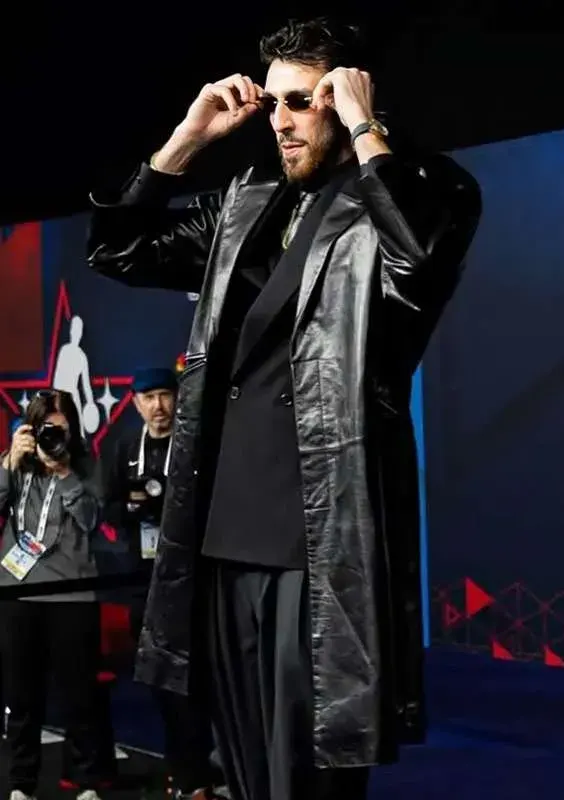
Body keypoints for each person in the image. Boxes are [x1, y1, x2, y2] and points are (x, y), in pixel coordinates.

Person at [87, 16, 482, 800]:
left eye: (302, 100)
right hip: (220, 538)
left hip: (317, 548)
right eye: (273, 103)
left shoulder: (427, 189)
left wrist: (365, 130)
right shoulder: (249, 200)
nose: (281, 121)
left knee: (309, 779)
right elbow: (119, 250)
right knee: (244, 777)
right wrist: (185, 141)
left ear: (351, 93)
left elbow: (417, 266)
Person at [102, 367, 222, 799]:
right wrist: (135, 510)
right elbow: (108, 506)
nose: (159, 406)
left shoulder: (193, 443)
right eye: (149, 398)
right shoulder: (123, 448)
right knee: (158, 681)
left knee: (198, 681)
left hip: (193, 581)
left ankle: (203, 770)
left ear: (178, 398)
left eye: (165, 396)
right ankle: (183, 770)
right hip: (144, 581)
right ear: (135, 403)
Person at [0, 390, 115, 800]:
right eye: (46, 430)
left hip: (72, 594)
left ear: (73, 431)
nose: (53, 438)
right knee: (21, 698)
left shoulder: (86, 465)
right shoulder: (16, 464)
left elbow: (90, 520)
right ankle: (21, 784)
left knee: (80, 696)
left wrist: (65, 474)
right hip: (18, 592)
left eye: (61, 430)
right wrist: (8, 463)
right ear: (31, 430)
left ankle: (87, 782)